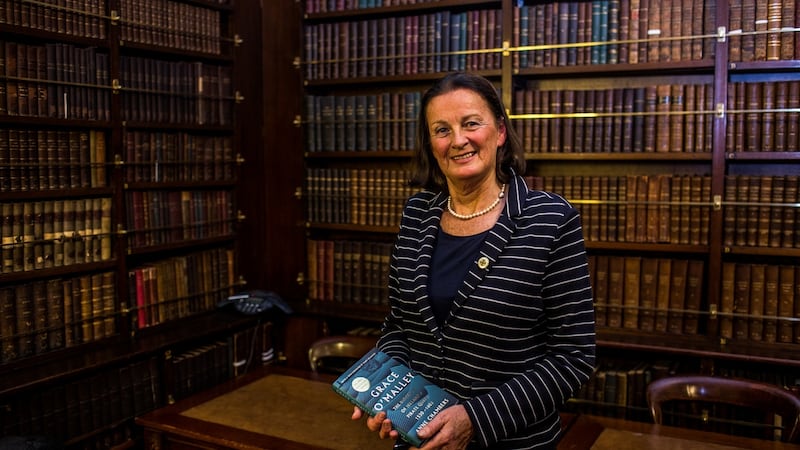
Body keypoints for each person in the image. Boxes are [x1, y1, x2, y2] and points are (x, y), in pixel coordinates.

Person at [351, 72, 596, 450]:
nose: (458, 140)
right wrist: (386, 391)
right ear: (430, 144)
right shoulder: (416, 214)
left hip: (513, 444)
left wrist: (475, 420)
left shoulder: (550, 219)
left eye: (471, 124)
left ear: (500, 132)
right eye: (442, 130)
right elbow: (400, 326)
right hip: (419, 439)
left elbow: (573, 357)